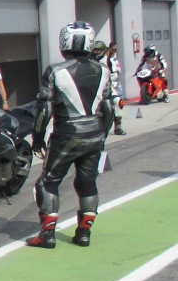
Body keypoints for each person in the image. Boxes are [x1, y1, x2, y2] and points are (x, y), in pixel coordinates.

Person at [27, 21, 113, 249]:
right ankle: (84, 233)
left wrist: (37, 137)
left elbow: (44, 109)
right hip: (94, 134)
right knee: (87, 182)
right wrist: (102, 135)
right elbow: (108, 108)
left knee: (48, 182)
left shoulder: (55, 70)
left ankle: (47, 234)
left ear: (64, 43)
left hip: (66, 134)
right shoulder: (103, 70)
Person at [92, 41, 126, 135]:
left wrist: (106, 79)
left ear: (103, 51)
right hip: (91, 87)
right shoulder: (87, 61)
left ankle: (118, 126)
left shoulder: (110, 60)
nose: (96, 52)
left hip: (107, 86)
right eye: (94, 50)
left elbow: (115, 74)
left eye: (98, 50)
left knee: (118, 101)